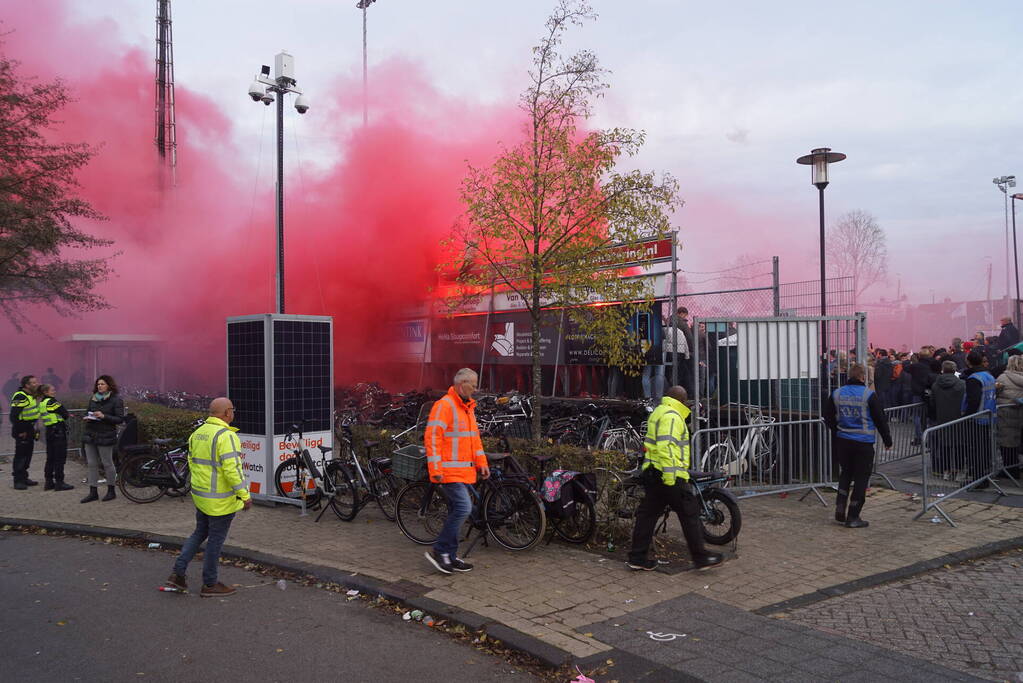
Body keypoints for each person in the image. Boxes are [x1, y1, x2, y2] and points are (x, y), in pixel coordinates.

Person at [627, 385, 723, 571]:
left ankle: (637, 558)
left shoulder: (659, 412)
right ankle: (701, 558)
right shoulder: (672, 416)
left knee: (646, 516)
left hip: (654, 473)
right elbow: (666, 447)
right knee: (690, 514)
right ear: (682, 401)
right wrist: (671, 478)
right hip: (669, 476)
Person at [165, 398, 251, 597]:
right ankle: (210, 584)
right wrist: (244, 496)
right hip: (221, 503)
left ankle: (177, 574)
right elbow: (232, 471)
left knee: (198, 534)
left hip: (201, 497)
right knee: (215, 542)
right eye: (232, 410)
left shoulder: (197, 433)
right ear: (227, 413)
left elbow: (192, 464)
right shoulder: (226, 436)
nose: (233, 413)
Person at [423, 368, 489, 575]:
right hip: (449, 472)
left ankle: (449, 557)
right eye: (474, 385)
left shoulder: (467, 408)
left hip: (462, 472)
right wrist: (435, 470)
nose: (476, 389)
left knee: (457, 510)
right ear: (462, 384)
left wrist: (482, 463)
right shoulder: (445, 406)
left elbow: (474, 440)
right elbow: (432, 438)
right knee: (463, 508)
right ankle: (440, 550)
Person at [824, 364, 892, 528]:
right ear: (863, 377)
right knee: (861, 477)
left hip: (843, 441)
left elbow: (827, 416)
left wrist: (837, 429)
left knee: (846, 473)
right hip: (863, 443)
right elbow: (880, 420)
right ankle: (853, 516)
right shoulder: (869, 395)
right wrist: (887, 440)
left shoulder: (837, 393)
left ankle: (840, 507)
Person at [80, 375, 125, 503]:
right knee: (91, 463)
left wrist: (104, 416)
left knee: (107, 463)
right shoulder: (93, 399)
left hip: (105, 435)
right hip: (90, 434)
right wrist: (87, 417)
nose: (99, 386)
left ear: (109, 385)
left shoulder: (116, 400)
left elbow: (120, 419)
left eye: (102, 384)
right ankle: (93, 492)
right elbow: (87, 412)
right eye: (98, 384)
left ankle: (111, 491)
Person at [961, 350, 997, 490]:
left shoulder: (974, 378)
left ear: (968, 362)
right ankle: (984, 477)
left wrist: (966, 417)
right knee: (984, 450)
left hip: (977, 419)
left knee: (976, 451)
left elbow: (974, 401)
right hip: (988, 418)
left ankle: (978, 480)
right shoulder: (988, 376)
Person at [928, 361, 965, 479]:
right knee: (959, 445)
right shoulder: (962, 384)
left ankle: (946, 471)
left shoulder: (935, 385)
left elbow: (932, 403)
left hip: (942, 417)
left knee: (944, 446)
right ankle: (958, 470)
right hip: (959, 417)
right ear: (955, 370)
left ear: (942, 370)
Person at [38, 384, 74, 491]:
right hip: (58, 432)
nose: (54, 391)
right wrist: (66, 414)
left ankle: (48, 482)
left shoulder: (42, 403)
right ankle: (59, 483)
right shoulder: (52, 402)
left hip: (49, 431)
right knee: (59, 458)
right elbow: (64, 413)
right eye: (52, 390)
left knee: (50, 458)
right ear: (46, 392)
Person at [9, 375, 41, 489]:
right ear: (26, 385)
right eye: (33, 383)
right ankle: (18, 481)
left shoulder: (30, 395)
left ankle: (24, 477)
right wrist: (21, 431)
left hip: (29, 428)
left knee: (27, 456)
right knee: (21, 456)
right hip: (22, 430)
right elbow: (13, 416)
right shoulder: (20, 396)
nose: (36, 384)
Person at [995, 355, 1023, 478]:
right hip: (1020, 412)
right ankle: (1016, 467)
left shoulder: (1003, 377)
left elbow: (996, 392)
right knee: (1017, 441)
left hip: (1005, 412)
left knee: (1006, 441)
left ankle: (1009, 469)